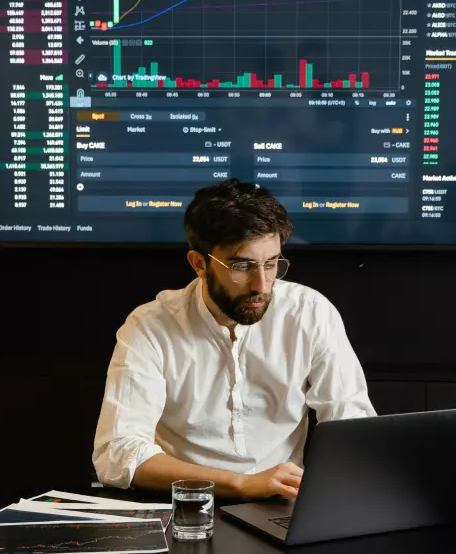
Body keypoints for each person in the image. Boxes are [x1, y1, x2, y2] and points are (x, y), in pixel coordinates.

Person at [92, 179, 376, 501]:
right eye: (242, 266)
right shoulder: (150, 326)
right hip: (185, 506)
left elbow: (352, 430)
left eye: (271, 264)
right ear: (199, 264)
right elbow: (116, 454)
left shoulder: (309, 312)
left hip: (283, 508)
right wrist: (242, 484)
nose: (262, 285)